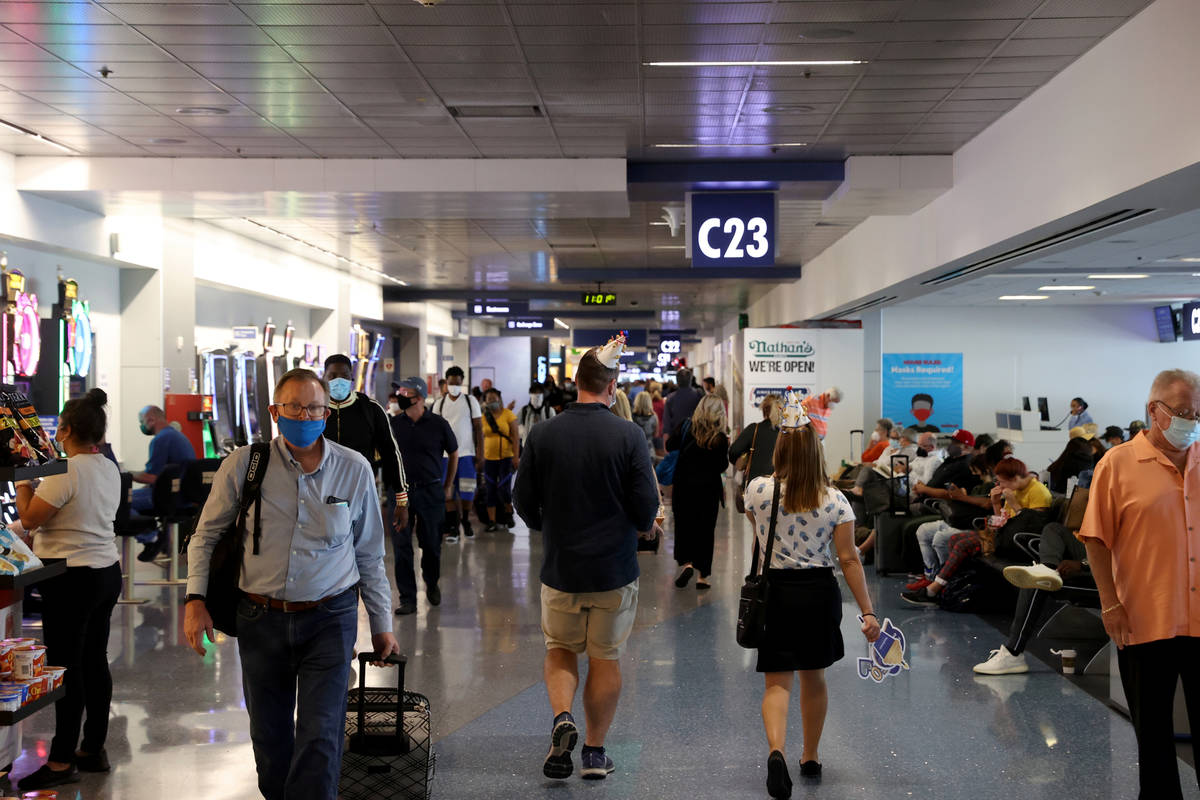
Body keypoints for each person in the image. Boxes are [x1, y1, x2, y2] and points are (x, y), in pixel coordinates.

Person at [184, 368, 399, 800]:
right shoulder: (245, 465)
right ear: (275, 412)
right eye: (295, 407)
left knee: (321, 736)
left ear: (327, 412)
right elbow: (205, 535)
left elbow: (370, 554)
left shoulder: (353, 470)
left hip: (330, 617)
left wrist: (381, 623)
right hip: (259, 617)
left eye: (314, 407)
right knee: (271, 739)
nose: (305, 415)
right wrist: (195, 599)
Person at [513, 334, 660, 782]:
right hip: (614, 571)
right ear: (612, 386)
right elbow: (645, 508)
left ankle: (562, 717)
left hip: (562, 568)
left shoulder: (543, 433)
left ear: (576, 382)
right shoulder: (628, 435)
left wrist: (550, 528)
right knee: (605, 658)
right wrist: (640, 526)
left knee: (560, 650)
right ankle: (594, 752)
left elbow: (522, 500)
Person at [745, 391, 879, 797]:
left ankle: (776, 751)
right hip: (818, 592)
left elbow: (758, 531)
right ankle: (810, 755)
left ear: (780, 447)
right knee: (814, 677)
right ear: (816, 451)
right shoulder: (835, 500)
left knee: (776, 683)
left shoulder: (758, 490)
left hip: (776, 593)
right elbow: (849, 559)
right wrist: (868, 613)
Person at [1078, 369, 1200, 800]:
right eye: (1184, 412)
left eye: (1198, 412)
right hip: (1144, 622)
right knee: (1155, 739)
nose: (1192, 420)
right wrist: (1110, 604)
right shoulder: (1118, 463)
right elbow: (1096, 538)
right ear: (1154, 410)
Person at [13, 389, 121, 791]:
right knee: (94, 660)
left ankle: (59, 762)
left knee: (67, 667)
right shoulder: (105, 466)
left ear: (67, 429)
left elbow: (30, 518)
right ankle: (92, 748)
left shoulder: (66, 471)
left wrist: (25, 481)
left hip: (71, 578)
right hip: (106, 572)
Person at [902, 457, 1051, 606]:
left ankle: (933, 590)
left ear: (1016, 478)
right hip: (1003, 536)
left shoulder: (1038, 492)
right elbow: (1000, 521)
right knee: (955, 539)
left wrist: (1015, 505)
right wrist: (996, 503)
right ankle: (948, 585)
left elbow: (1031, 527)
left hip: (1016, 543)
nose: (1000, 485)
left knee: (963, 545)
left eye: (1002, 481)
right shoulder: (1015, 489)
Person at [390, 377, 459, 616]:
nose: (399, 396)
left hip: (431, 491)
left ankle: (431, 582)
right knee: (401, 547)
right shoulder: (393, 424)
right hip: (401, 493)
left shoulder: (438, 424)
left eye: (404, 392)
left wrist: (448, 484)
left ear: (419, 398)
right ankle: (407, 597)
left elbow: (454, 453)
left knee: (431, 543)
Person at [321, 354, 409, 533]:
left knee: (365, 549)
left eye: (344, 376)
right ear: (324, 377)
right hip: (321, 492)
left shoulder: (370, 409)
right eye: (332, 376)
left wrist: (401, 499)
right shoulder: (314, 409)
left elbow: (391, 453)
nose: (339, 380)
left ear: (352, 378)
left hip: (361, 492)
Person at [669, 395, 730, 590]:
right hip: (708, 491)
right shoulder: (719, 438)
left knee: (684, 526)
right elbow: (722, 465)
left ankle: (687, 563)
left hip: (683, 488)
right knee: (705, 530)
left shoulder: (686, 426)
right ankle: (702, 576)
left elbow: (670, 445)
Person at [130, 404, 197, 561]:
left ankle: (152, 538)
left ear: (151, 420)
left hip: (170, 498)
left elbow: (152, 477)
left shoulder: (161, 439)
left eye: (142, 422)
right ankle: (157, 534)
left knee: (118, 501)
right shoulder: (177, 436)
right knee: (133, 497)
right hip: (184, 497)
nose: (141, 426)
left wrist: (126, 475)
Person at [431, 365, 483, 542]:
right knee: (448, 491)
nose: (454, 386)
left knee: (468, 490)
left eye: (457, 383)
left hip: (467, 454)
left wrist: (480, 453)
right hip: (445, 456)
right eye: (451, 383)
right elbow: (435, 430)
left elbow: (478, 428)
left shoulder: (471, 401)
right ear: (446, 383)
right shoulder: (440, 403)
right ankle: (453, 526)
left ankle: (466, 520)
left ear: (462, 383)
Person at [481, 388, 519, 532]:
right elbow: (479, 437)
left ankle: (508, 513)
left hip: (506, 458)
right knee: (490, 489)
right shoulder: (484, 416)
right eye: (489, 399)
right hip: (489, 459)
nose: (492, 401)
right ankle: (491, 521)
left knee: (504, 488)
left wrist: (516, 457)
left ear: (499, 399)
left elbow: (515, 437)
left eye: (494, 398)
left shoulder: (508, 415)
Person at [729, 395, 782, 489]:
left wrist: (742, 465)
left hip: (753, 486)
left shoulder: (754, 429)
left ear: (764, 410)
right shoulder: (784, 435)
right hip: (777, 487)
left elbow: (733, 451)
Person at [662, 367, 703, 438]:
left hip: (676, 436)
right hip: (695, 436)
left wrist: (666, 438)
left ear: (677, 381)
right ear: (690, 380)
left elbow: (667, 422)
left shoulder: (671, 398)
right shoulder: (698, 395)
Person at [631, 390, 659, 458]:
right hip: (649, 450)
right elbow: (656, 435)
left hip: (634, 451)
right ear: (649, 402)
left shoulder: (631, 417)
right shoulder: (654, 417)